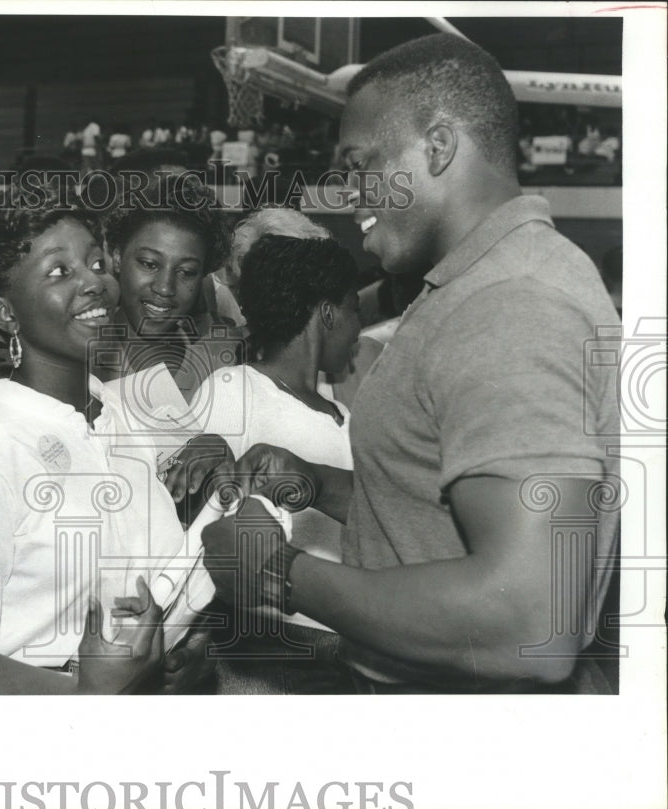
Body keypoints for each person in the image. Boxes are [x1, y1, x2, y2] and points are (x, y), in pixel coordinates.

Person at [201, 33, 621, 693]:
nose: (346, 193)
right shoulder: (476, 283)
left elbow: (531, 622)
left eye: (359, 164)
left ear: (438, 146)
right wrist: (323, 483)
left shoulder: (510, 305)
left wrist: (277, 571)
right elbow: (449, 508)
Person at [0, 182, 197, 694]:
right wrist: (88, 694)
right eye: (60, 272)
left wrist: (184, 656)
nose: (94, 284)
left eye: (96, 263)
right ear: (4, 313)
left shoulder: (119, 418)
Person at [194, 234, 361, 694]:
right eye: (354, 311)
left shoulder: (343, 417)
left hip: (349, 643)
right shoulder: (235, 388)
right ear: (328, 314)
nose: (358, 332)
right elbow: (203, 525)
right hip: (271, 647)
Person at [97, 172, 240, 403]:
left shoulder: (223, 363)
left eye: (186, 272)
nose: (165, 288)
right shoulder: (77, 358)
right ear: (116, 257)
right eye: (149, 264)